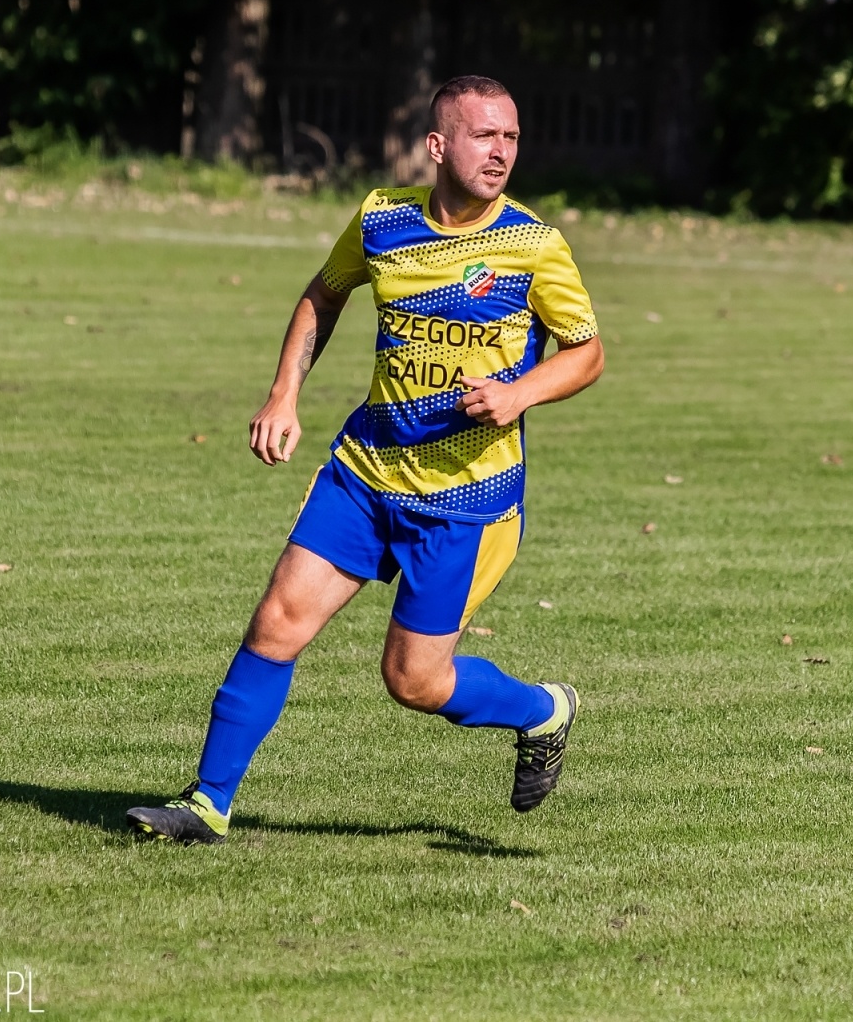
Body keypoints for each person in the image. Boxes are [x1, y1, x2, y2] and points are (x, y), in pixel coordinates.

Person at [125, 75, 605, 844]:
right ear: (438, 146)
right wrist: (284, 394)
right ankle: (207, 803)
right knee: (276, 623)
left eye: (511, 137)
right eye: (485, 136)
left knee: (413, 681)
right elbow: (324, 292)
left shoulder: (533, 246)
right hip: (366, 471)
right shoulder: (382, 220)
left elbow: (587, 354)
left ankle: (545, 710)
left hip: (464, 500)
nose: (502, 152)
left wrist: (520, 396)